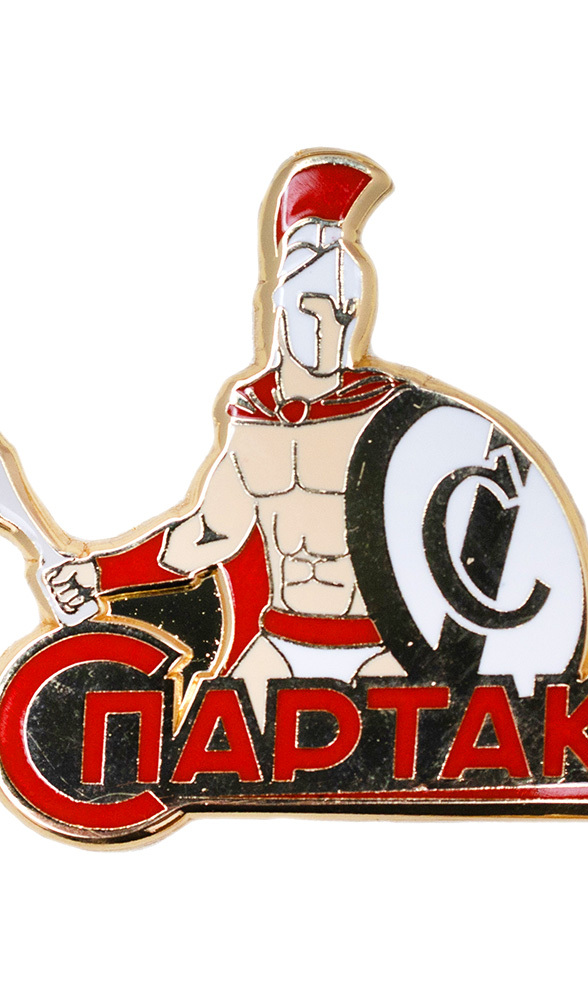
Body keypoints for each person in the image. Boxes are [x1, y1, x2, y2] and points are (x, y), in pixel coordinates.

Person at [47, 154, 410, 727]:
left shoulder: (391, 416)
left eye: (342, 310)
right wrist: (99, 575)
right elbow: (206, 536)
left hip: (379, 649)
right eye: (312, 306)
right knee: (204, 745)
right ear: (279, 305)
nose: (328, 327)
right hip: (281, 642)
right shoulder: (255, 421)